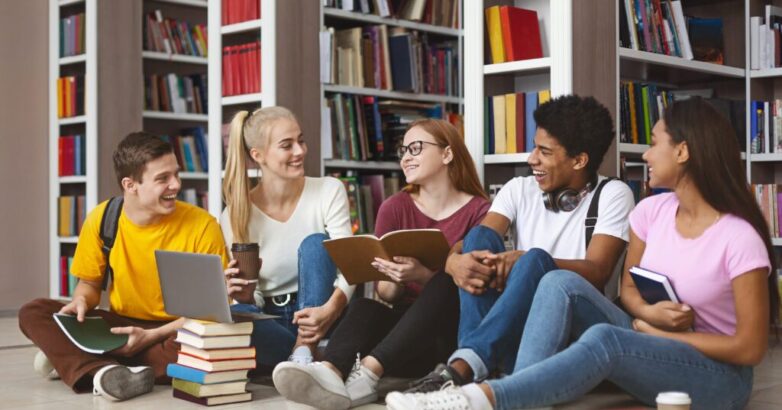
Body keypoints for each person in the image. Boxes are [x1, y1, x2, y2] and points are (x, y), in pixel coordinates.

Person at [387, 97, 780, 410]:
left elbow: (750, 348)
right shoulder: (650, 212)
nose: (645, 154)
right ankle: (505, 385)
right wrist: (645, 315)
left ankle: (483, 396)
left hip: (715, 376)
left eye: (655, 143)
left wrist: (653, 331)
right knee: (555, 279)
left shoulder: (738, 236)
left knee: (598, 329)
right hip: (648, 340)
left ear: (682, 152)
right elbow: (629, 291)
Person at [405, 95, 636, 392]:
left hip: (569, 328)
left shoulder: (613, 193)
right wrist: (453, 262)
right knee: (477, 239)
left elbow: (599, 270)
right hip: (516, 327)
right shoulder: (519, 189)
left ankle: (464, 369)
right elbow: (473, 243)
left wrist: (526, 261)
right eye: (534, 147)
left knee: (536, 260)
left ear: (579, 160)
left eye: (544, 151)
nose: (531, 159)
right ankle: (475, 368)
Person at [270, 118, 491, 410]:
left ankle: (369, 374)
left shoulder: (480, 210)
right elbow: (386, 295)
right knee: (364, 306)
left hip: (448, 336)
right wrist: (394, 276)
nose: (406, 158)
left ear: (447, 154)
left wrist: (422, 275)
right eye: (403, 151)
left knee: (448, 277)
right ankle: (331, 373)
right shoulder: (394, 206)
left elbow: (478, 284)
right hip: (401, 341)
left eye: (416, 148)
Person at [18, 132, 229, 401]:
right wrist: (81, 301)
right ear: (130, 185)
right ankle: (103, 370)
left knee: (212, 346)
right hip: (121, 326)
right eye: (162, 179)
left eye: (176, 174)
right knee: (34, 311)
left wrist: (151, 336)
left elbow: (211, 310)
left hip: (175, 329)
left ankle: (84, 360)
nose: (175, 184)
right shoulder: (103, 218)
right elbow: (90, 285)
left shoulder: (203, 225)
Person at [220, 106, 353, 372]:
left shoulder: (329, 190)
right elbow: (252, 300)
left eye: (300, 140)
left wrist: (330, 310)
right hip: (269, 319)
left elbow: (351, 267)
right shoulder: (235, 214)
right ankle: (301, 358)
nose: (300, 151)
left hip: (325, 311)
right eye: (287, 145)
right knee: (230, 316)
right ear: (258, 156)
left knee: (316, 243)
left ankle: (304, 350)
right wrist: (245, 295)